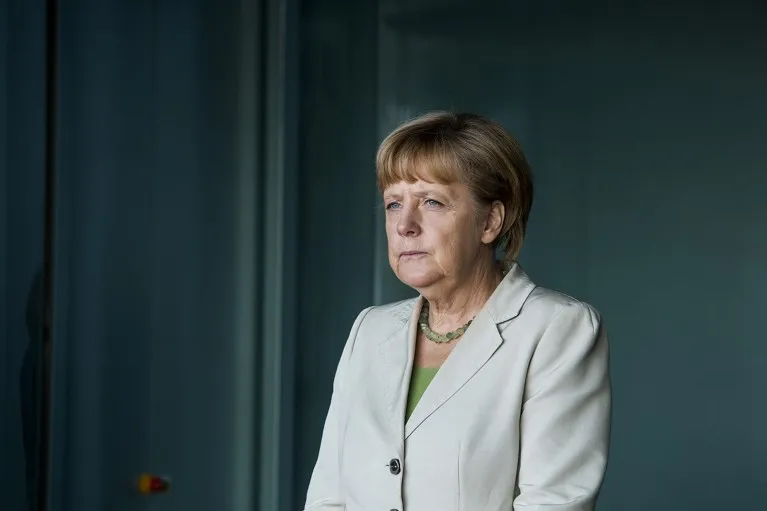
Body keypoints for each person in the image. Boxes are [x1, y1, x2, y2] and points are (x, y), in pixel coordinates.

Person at [303, 112, 611, 511]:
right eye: (394, 204)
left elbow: (552, 504)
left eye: (431, 201)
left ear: (490, 221)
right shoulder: (369, 330)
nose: (405, 226)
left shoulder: (558, 330)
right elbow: (328, 497)